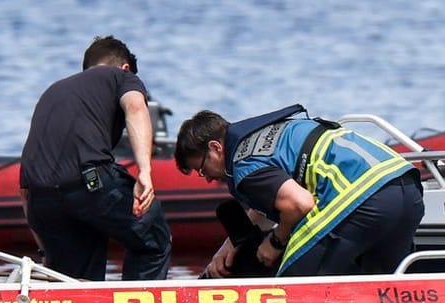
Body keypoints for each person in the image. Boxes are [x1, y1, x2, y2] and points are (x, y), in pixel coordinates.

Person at [174, 106, 422, 278]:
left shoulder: (243, 164)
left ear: (216, 148)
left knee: (291, 286)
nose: (205, 178)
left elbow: (299, 203)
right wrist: (229, 245)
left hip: (362, 198)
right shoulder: (271, 133)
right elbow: (271, 201)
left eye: (202, 168)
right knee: (382, 288)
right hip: (405, 185)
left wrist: (274, 243)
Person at [18, 35, 171, 281]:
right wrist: (145, 170)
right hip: (91, 183)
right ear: (126, 67)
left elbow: (24, 193)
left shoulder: (53, 91)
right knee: (153, 239)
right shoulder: (121, 76)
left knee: (75, 281)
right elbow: (135, 108)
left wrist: (45, 248)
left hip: (41, 199)